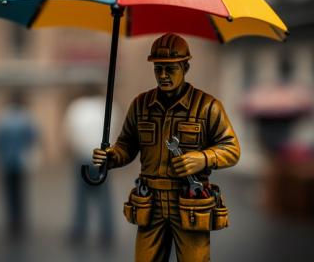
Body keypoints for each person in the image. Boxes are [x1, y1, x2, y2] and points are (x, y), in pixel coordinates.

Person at [93, 33, 240, 262]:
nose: (163, 75)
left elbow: (232, 149)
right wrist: (111, 156)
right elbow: (126, 146)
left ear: (186, 67)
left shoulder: (208, 107)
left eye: (170, 69)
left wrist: (203, 158)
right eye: (158, 68)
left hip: (190, 200)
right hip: (149, 201)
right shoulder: (141, 105)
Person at [64, 86, 119, 246]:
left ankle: (79, 231)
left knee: (81, 197)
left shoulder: (76, 107)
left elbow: (68, 133)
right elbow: (115, 130)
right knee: (105, 197)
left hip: (82, 157)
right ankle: (107, 233)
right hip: (102, 158)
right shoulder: (109, 106)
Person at [0, 91, 38, 238]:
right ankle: (20, 220)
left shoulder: (2, 119)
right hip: (21, 160)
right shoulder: (27, 118)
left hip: (4, 160)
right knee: (20, 192)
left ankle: (11, 221)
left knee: (8, 192)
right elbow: (34, 138)